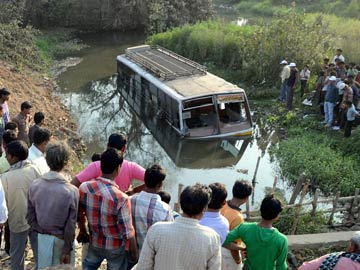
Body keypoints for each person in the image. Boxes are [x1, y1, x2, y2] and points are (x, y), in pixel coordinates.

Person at [133, 183, 221, 270]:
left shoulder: (156, 230)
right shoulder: (212, 238)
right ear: (204, 209)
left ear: (181, 203)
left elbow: (143, 266)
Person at [78, 148, 138, 270]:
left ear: (101, 166)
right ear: (118, 169)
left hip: (94, 241)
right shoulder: (121, 198)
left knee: (88, 265)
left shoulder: (84, 188)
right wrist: (134, 252)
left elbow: (80, 213)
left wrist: (83, 230)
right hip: (115, 247)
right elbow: (128, 232)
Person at [27, 141, 79, 268]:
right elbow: (70, 225)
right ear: (66, 163)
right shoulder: (71, 191)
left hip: (42, 238)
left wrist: (44, 231)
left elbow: (30, 217)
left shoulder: (34, 185)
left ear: (47, 160)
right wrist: (67, 249)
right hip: (62, 241)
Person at [0, 140, 41, 270]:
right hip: (36, 219)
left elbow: (3, 204)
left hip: (17, 222)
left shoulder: (5, 177)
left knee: (17, 255)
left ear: (14, 157)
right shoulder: (35, 169)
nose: (6, 157)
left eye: (7, 155)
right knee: (39, 252)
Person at [223, 194, 288, 270]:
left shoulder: (245, 228)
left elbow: (224, 241)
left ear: (261, 210)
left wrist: (242, 248)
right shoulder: (282, 240)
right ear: (277, 216)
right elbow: (281, 267)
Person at [71, 133, 145, 193]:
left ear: (108, 146)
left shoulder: (96, 165)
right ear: (123, 149)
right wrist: (133, 191)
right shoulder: (131, 167)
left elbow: (73, 184)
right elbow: (154, 180)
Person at [130, 164, 173, 251]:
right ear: (160, 184)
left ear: (145, 181)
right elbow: (169, 235)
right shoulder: (165, 209)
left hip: (131, 252)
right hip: (152, 254)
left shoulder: (130, 200)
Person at [220, 180, 253, 269]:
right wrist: (238, 262)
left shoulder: (222, 204)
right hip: (227, 254)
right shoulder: (238, 218)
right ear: (246, 198)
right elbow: (232, 246)